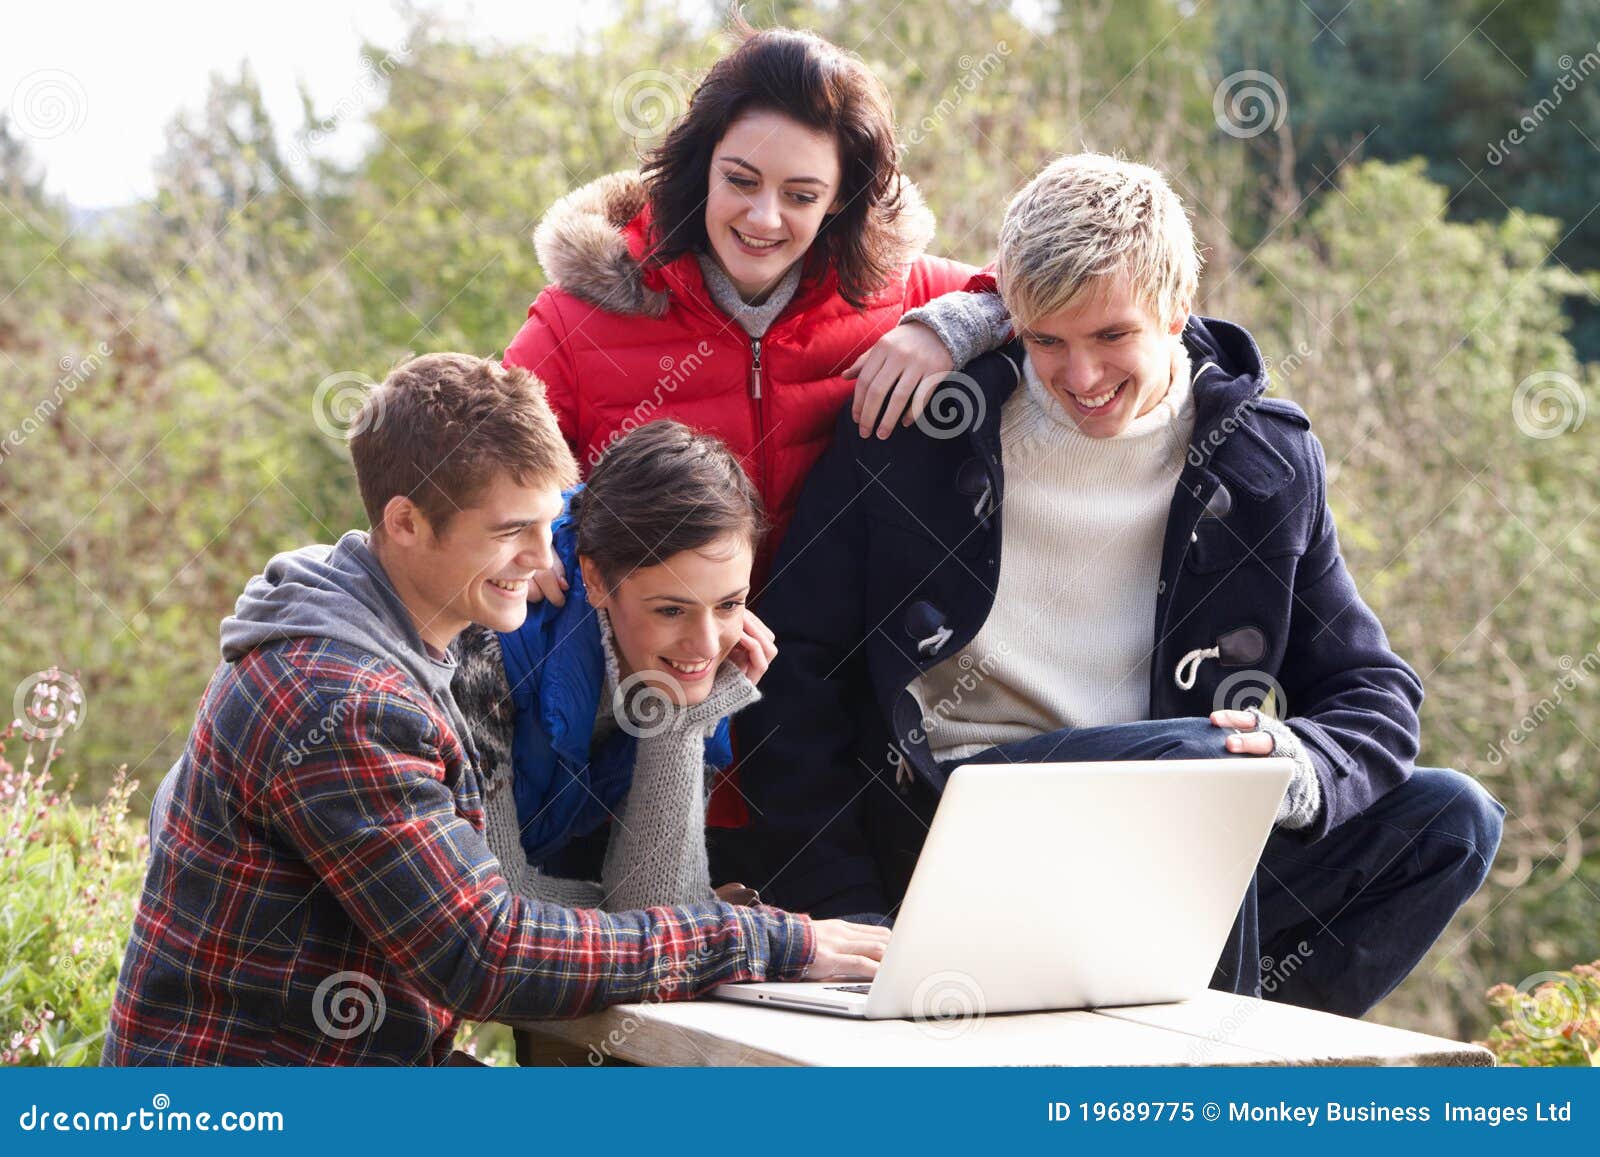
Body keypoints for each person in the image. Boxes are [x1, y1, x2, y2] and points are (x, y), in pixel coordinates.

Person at [738, 153, 1504, 1018]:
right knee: (1205, 767)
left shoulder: (1267, 460)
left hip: (1159, 846)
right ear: (1012, 320)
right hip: (960, 827)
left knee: (1452, 819)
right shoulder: (922, 428)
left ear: (1179, 312)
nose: (1080, 377)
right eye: (1046, 340)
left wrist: (1302, 767)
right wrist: (852, 912)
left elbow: (1375, 688)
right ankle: (1201, 1068)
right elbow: (790, 672)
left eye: (1111, 337)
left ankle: (1234, 1049)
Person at [103, 354, 887, 1066]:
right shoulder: (341, 698)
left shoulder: (408, 644)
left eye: (551, 525)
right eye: (512, 532)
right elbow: (487, 952)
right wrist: (773, 938)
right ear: (406, 522)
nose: (545, 561)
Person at [497, 21, 1010, 835]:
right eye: (740, 180)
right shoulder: (584, 310)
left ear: (841, 198)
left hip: (831, 754)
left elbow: (1047, 298)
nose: (764, 217)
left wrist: (951, 324)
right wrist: (526, 538)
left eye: (802, 196)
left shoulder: (894, 292)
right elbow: (471, 449)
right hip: (630, 757)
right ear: (701, 164)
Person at [452, 420, 777, 912]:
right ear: (596, 579)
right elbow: (493, 905)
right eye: (671, 610)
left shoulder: (698, 661)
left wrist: (686, 719)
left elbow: (654, 900)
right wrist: (670, 915)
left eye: (730, 605)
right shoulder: (488, 649)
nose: (706, 644)